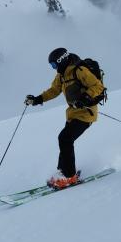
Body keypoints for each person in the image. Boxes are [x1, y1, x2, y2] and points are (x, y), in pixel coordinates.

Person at [25, 47, 106, 189]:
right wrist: (37, 99)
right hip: (73, 114)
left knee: (65, 139)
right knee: (64, 140)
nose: (53, 68)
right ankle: (62, 172)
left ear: (61, 60)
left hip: (86, 113)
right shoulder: (62, 75)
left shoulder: (79, 70)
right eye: (52, 66)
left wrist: (86, 98)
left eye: (54, 65)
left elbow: (97, 86)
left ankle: (69, 176)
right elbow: (54, 90)